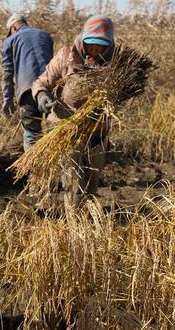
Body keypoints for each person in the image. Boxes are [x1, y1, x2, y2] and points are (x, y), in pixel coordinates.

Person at [31, 15, 115, 209]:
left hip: (96, 131)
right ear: (83, 41)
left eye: (101, 47)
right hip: (66, 129)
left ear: (108, 46)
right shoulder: (66, 56)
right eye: (91, 45)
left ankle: (88, 221)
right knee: (73, 183)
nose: (95, 50)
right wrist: (42, 96)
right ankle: (74, 226)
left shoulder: (115, 64)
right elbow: (41, 81)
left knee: (92, 184)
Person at [1, 13, 54, 151]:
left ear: (13, 27)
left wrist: (7, 100)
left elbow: (7, 74)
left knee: (32, 133)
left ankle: (34, 169)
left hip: (27, 91)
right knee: (57, 129)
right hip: (50, 87)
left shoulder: (10, 41)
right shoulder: (45, 35)